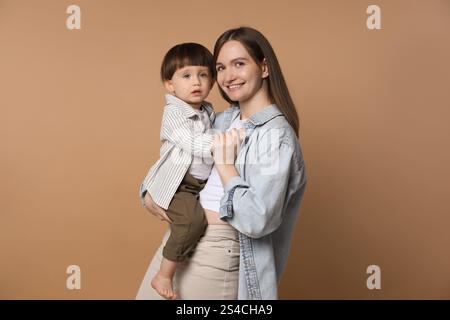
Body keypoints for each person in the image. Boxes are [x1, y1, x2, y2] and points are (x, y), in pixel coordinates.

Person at [137, 26, 307, 300]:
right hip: (181, 240)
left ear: (263, 68)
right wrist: (147, 191)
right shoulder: (222, 119)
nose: (228, 77)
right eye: (221, 68)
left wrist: (226, 166)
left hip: (219, 249)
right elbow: (178, 156)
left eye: (239, 64)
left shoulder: (276, 136)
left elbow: (257, 219)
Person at [140, 42, 236, 299]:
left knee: (191, 219)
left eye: (203, 75)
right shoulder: (173, 113)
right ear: (170, 85)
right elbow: (191, 142)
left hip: (196, 185)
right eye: (186, 76)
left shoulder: (206, 110)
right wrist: (223, 143)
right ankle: (164, 275)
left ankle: (176, 266)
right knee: (192, 222)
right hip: (176, 184)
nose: (196, 82)